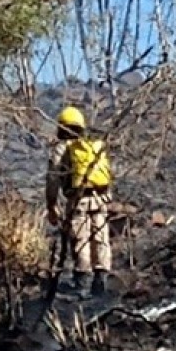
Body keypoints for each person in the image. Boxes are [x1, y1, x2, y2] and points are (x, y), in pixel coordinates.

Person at [45, 105, 113, 299]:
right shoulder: (93, 146)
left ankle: (82, 284)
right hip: (101, 199)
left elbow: (53, 179)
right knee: (101, 238)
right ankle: (101, 282)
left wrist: (51, 205)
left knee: (81, 239)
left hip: (79, 200)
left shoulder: (62, 149)